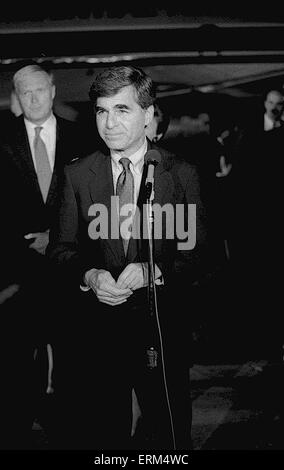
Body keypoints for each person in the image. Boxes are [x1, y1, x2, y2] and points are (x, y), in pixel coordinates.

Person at [46, 65, 209, 450]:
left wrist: (155, 271)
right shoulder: (77, 175)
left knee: (168, 436)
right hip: (98, 333)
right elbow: (59, 249)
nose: (109, 123)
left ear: (148, 114)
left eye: (122, 110)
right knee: (105, 436)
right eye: (102, 111)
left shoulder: (180, 173)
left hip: (163, 329)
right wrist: (90, 275)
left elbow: (201, 254)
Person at [0, 62, 94, 449]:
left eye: (40, 89)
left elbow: (93, 203)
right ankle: (16, 432)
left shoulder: (82, 138)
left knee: (73, 357)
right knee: (17, 363)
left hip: (67, 268)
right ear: (17, 99)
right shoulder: (2, 140)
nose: (35, 97)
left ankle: (69, 432)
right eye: (26, 92)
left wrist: (54, 236)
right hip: (16, 273)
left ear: (53, 90)